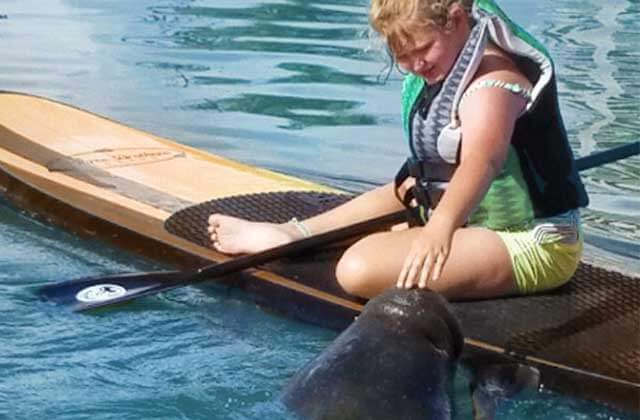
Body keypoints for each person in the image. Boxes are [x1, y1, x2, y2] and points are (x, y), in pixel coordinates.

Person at [207, 0, 588, 301]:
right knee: (405, 188)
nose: (414, 65)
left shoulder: (493, 85)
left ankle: (408, 235)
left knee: (356, 269)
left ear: (457, 19)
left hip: (530, 242)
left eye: (422, 49)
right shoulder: (444, 54)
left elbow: (481, 162)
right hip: (472, 218)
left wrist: (437, 230)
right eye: (401, 56)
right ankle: (292, 234)